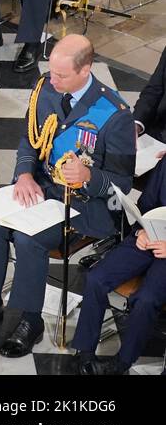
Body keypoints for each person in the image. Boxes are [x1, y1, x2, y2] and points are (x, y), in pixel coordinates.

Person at [0, 35, 136, 359]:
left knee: (28, 239)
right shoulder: (46, 88)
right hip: (43, 187)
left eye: (61, 75)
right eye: (52, 72)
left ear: (85, 70)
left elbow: (123, 184)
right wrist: (24, 174)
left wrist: (89, 177)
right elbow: (29, 138)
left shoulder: (115, 113)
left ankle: (31, 320)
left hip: (85, 205)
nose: (53, 80)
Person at [71, 159, 166, 375]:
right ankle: (85, 350)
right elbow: (146, 204)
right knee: (96, 278)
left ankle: (122, 362)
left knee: (146, 299)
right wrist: (142, 230)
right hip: (148, 237)